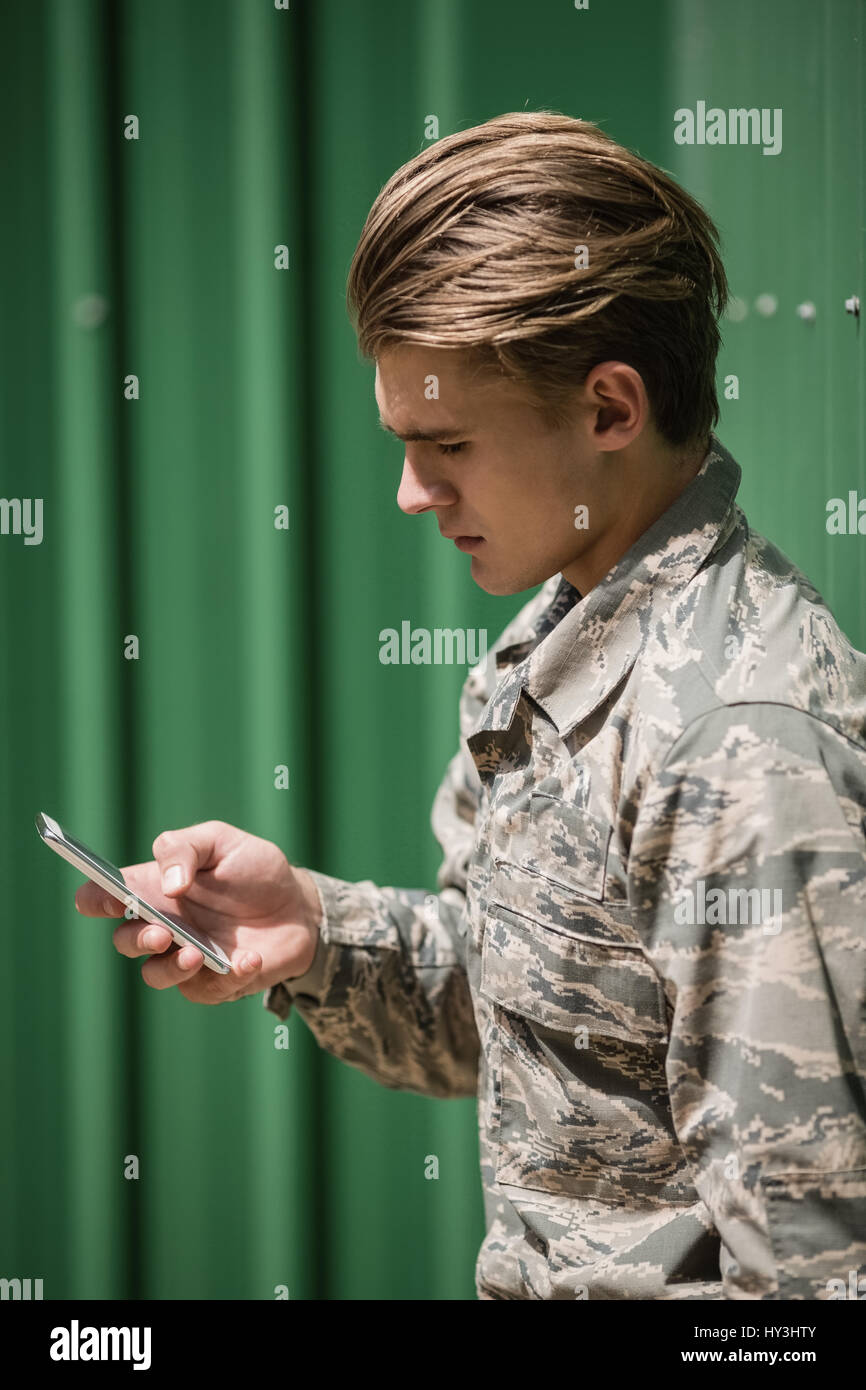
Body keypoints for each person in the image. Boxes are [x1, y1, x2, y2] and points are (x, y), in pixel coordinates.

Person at [75, 112, 866, 1300]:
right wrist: (319, 934)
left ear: (609, 409)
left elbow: (811, 1280)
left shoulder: (735, 745)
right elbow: (555, 1037)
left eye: (443, 442)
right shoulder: (560, 633)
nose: (408, 491)